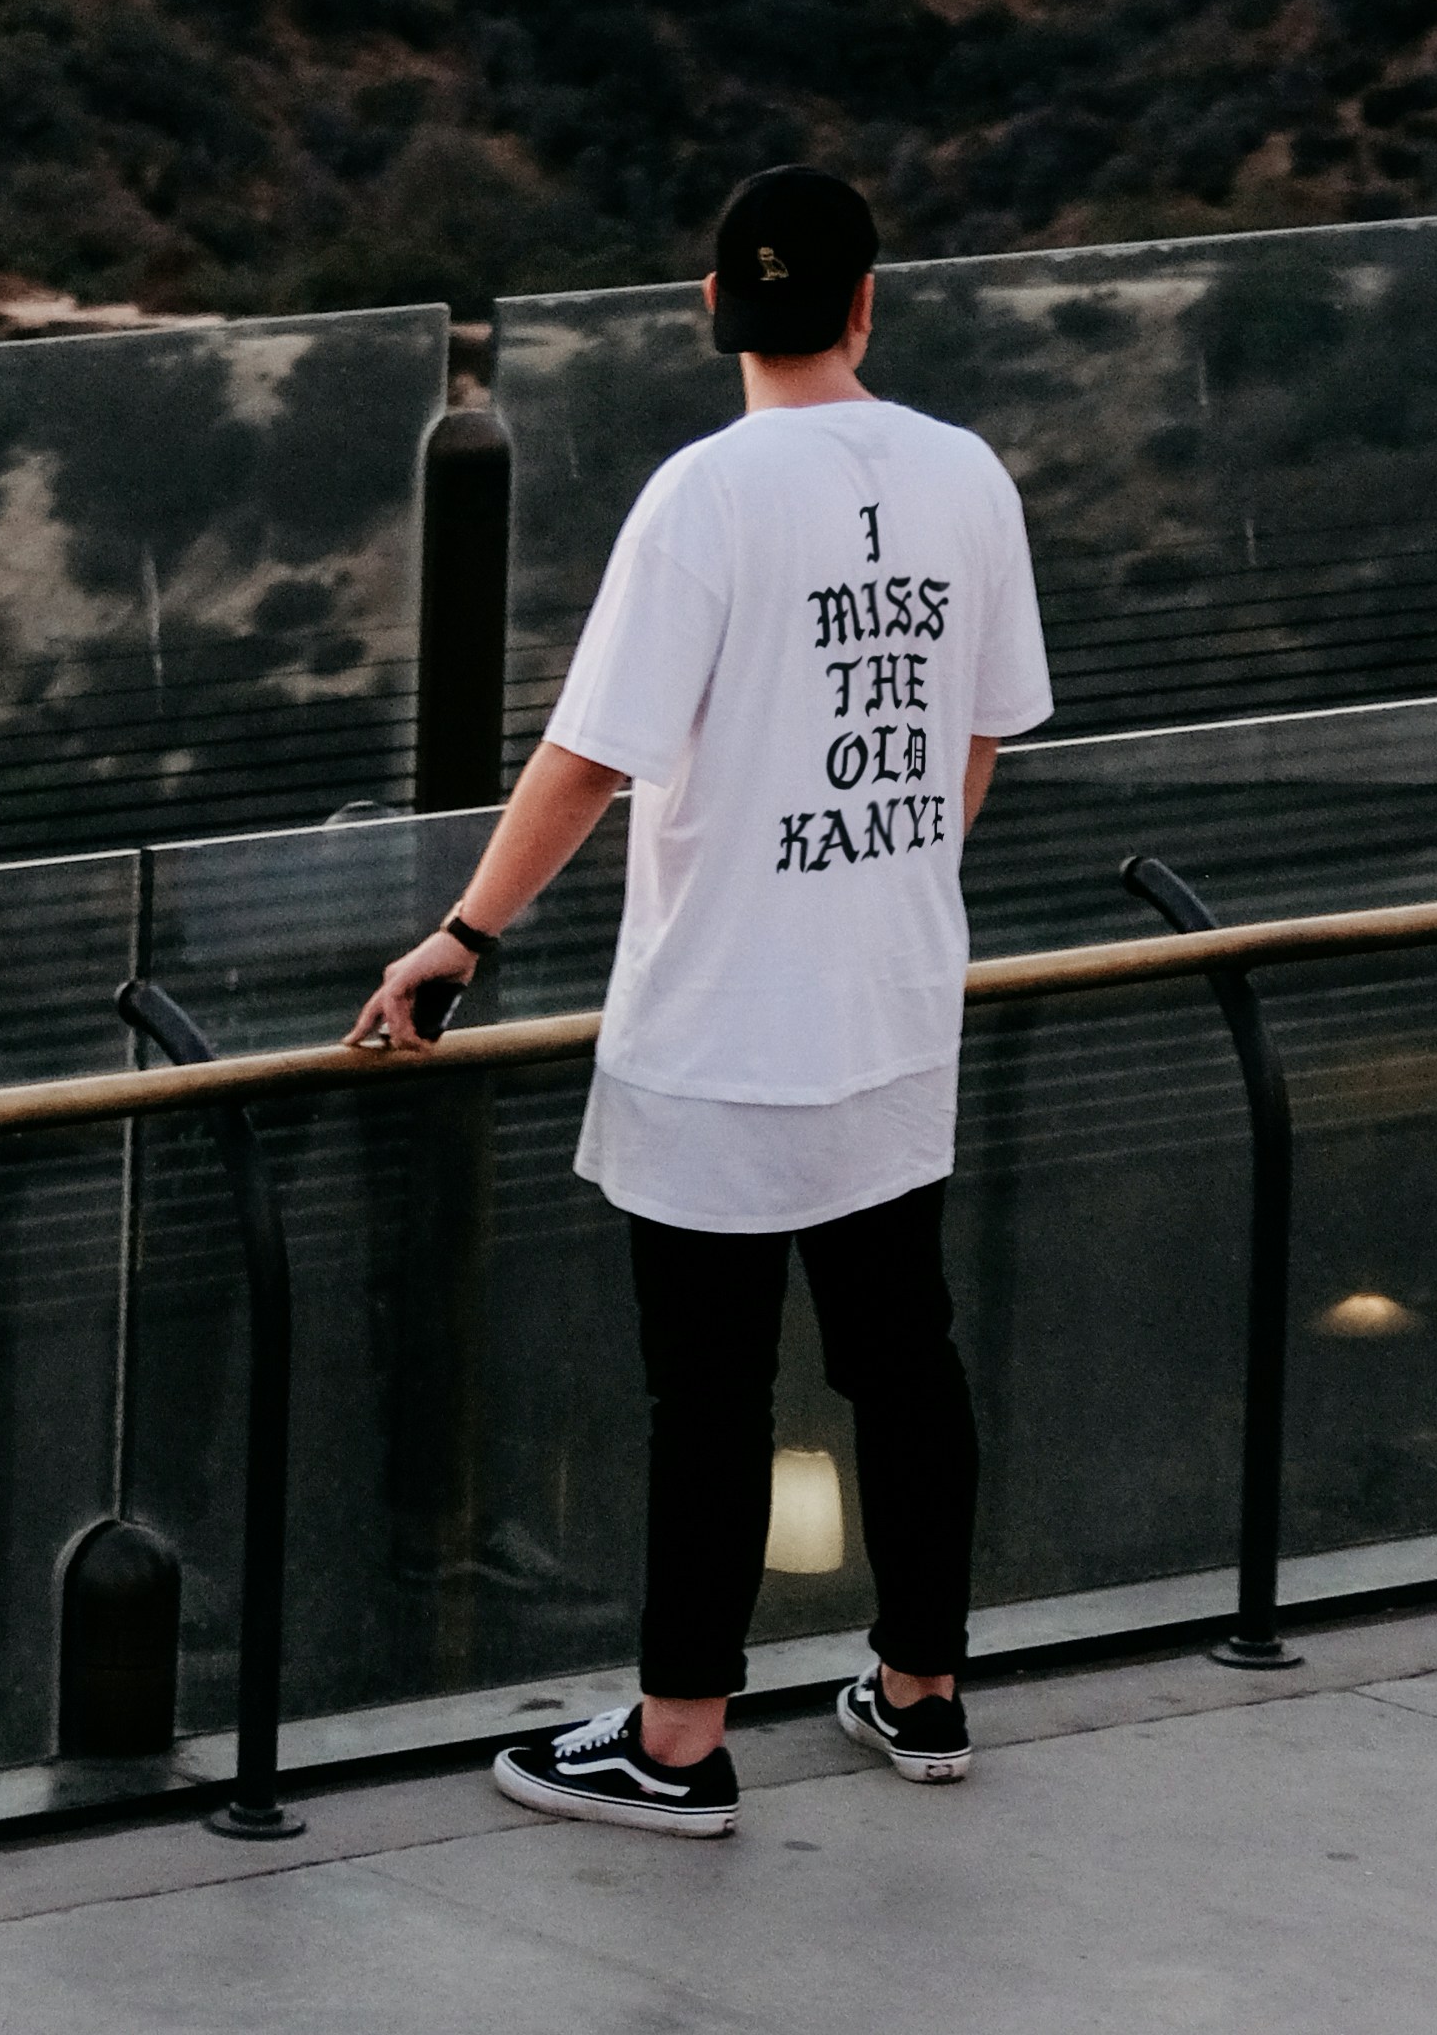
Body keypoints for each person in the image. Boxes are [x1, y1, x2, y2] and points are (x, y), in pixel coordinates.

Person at [349, 161, 1050, 1839]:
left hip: (725, 1032)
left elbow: (591, 758)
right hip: (891, 1006)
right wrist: (891, 874)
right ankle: (924, 1689)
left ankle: (676, 1744)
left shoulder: (704, 496)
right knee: (907, 1358)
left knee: (713, 1396)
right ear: (870, 304)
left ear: (713, 312)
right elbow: (977, 731)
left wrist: (463, 934)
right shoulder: (967, 476)